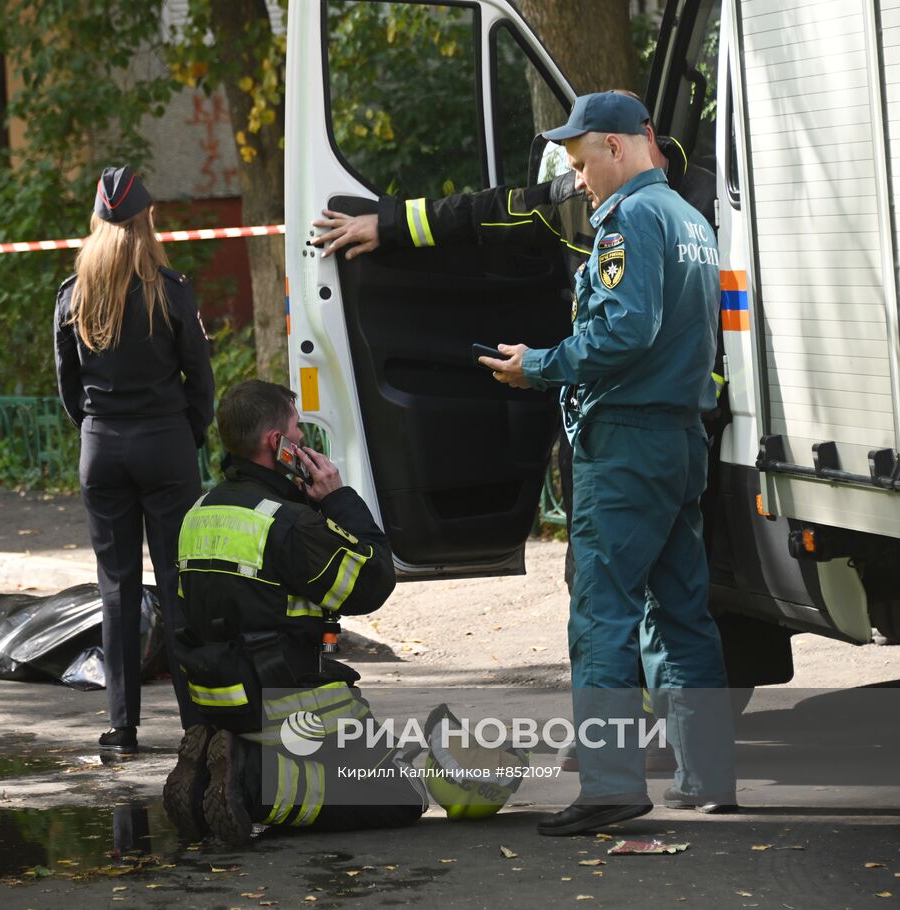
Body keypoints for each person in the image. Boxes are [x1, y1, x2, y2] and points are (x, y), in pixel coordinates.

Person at [481, 91, 736, 834]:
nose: (578, 179)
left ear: (620, 147)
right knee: (681, 612)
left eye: (581, 160)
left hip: (625, 445)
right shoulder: (691, 220)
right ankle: (707, 777)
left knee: (603, 617)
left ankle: (610, 785)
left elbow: (625, 332)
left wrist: (540, 365)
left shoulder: (630, 220)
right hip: (681, 439)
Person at [161, 380, 425, 845]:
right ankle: (251, 781)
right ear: (275, 444)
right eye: (297, 432)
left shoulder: (197, 512)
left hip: (221, 696)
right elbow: (373, 580)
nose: (303, 442)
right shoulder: (286, 524)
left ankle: (216, 765)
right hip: (287, 702)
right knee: (402, 795)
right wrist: (337, 498)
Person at [54, 165, 216, 755]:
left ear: (96, 224)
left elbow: (69, 388)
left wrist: (98, 429)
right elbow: (200, 376)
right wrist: (188, 433)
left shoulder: (73, 297)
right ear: (148, 220)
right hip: (165, 444)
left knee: (116, 589)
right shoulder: (170, 291)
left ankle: (122, 728)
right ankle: (196, 722)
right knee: (178, 583)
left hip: (102, 446)